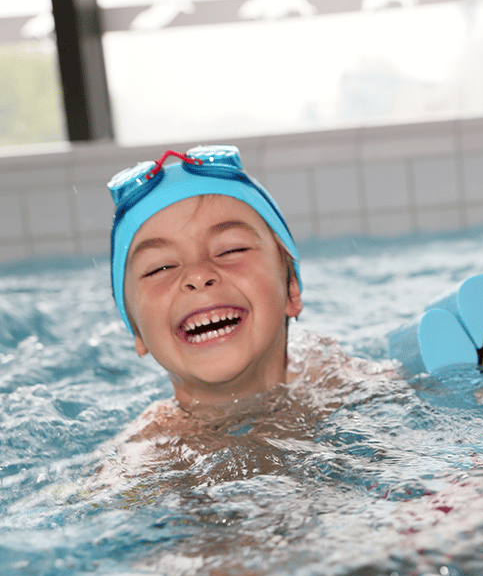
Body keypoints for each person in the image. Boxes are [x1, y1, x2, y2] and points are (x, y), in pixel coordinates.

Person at [101, 145, 390, 481]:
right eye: (160, 267)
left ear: (291, 290)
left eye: (231, 249)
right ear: (137, 332)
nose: (197, 275)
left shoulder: (339, 378)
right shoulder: (145, 455)